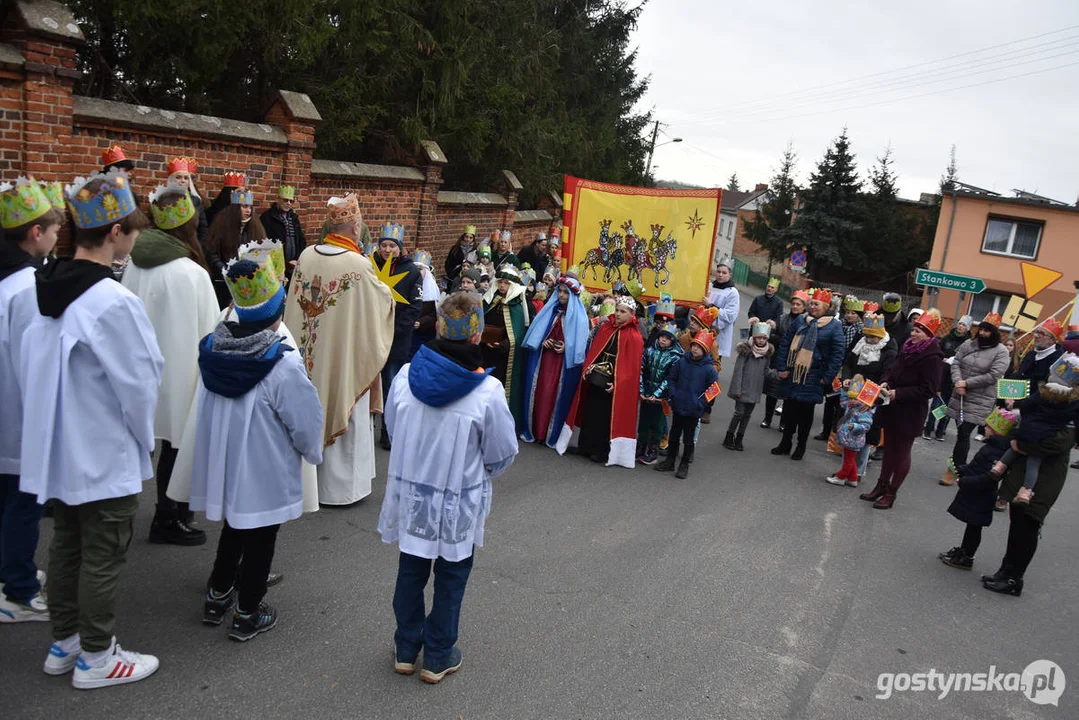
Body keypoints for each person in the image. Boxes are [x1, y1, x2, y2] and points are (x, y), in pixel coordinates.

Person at [20, 170, 164, 688]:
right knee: (103, 552)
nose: (133, 236)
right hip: (102, 449)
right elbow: (141, 382)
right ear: (113, 233)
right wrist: (143, 440)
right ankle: (98, 658)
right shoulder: (113, 302)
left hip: (60, 446)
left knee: (67, 545)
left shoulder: (45, 288)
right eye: (131, 228)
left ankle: (66, 642)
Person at [378, 291, 519, 683]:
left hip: (412, 496)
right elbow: (502, 452)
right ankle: (438, 653)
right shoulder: (486, 393)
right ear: (476, 337)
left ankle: (406, 646)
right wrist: (481, 472)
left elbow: (392, 424)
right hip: (458, 498)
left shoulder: (406, 377)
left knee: (411, 568)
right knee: (452, 575)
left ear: (439, 328)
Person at [191, 251, 323, 639]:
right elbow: (304, 417)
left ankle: (218, 593)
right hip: (264, 461)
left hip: (227, 457)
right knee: (262, 532)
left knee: (235, 523)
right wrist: (311, 451)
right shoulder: (279, 363)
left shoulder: (213, 350)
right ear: (278, 314)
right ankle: (249, 609)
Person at [120, 182, 219, 546]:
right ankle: (168, 515)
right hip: (181, 372)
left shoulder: (135, 263)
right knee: (178, 444)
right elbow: (211, 332)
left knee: (158, 443)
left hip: (143, 370)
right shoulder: (191, 272)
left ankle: (166, 511)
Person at [283, 194, 395, 506]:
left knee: (309, 408)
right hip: (343, 360)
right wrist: (386, 293)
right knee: (344, 402)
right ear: (355, 226)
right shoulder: (358, 265)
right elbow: (380, 304)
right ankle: (341, 490)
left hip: (308, 355)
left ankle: (306, 481)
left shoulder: (306, 256)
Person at [0, 177, 63, 622]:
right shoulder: (26, 287)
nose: (59, 236)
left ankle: (10, 571)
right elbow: (33, 358)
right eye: (54, 228)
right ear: (34, 233)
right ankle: (17, 591)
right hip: (19, 414)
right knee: (24, 502)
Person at [858, 310, 945, 509]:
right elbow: (892, 370)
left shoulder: (933, 358)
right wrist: (886, 382)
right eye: (913, 330)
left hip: (910, 412)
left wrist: (899, 393)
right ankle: (881, 486)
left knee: (902, 453)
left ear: (929, 335)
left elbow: (928, 389)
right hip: (891, 408)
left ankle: (891, 492)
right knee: (888, 449)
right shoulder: (907, 348)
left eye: (919, 331)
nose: (913, 334)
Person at [983, 421, 1075, 596]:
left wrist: (1021, 443)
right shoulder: (1044, 402)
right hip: (1023, 472)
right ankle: (1004, 571)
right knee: (1017, 524)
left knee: (1029, 524)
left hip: (1045, 478)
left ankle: (1014, 579)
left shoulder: (1072, 412)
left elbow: (1057, 443)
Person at [556, 296, 644, 467]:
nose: (617, 314)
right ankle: (585, 446)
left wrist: (618, 383)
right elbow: (595, 350)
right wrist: (589, 369)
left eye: (622, 312)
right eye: (617, 310)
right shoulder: (606, 328)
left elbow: (631, 368)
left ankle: (600, 451)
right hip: (596, 376)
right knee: (590, 410)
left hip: (613, 382)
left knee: (605, 416)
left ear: (631, 314)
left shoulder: (635, 337)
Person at [988, 353, 1078, 504]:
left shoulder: (1044, 391)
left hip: (1030, 428)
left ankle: (999, 467)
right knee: (1034, 462)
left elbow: (1027, 404)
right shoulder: (1072, 399)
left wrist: (1014, 405)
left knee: (1014, 447)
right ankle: (1026, 491)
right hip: (1048, 433)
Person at [938, 407, 1017, 571]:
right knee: (972, 525)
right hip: (977, 491)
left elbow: (989, 478)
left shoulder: (997, 452)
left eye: (988, 427)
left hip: (981, 494)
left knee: (975, 526)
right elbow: (977, 465)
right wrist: (962, 469)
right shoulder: (993, 446)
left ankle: (967, 556)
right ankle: (964, 550)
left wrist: (965, 480)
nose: (985, 429)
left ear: (996, 431)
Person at [772, 289, 845, 461]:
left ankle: (801, 446)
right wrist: (782, 366)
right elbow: (785, 343)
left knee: (805, 413)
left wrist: (827, 377)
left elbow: (837, 354)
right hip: (793, 372)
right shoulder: (800, 320)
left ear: (826, 307)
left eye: (816, 304)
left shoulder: (834, 326)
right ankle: (785, 442)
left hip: (814, 375)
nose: (812, 307)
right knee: (789, 410)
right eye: (811, 303)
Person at [519, 275, 590, 448]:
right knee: (540, 393)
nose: (562, 295)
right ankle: (535, 430)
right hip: (544, 361)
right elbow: (537, 334)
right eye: (560, 291)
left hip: (563, 366)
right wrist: (543, 341)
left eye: (566, 292)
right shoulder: (550, 311)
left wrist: (568, 348)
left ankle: (551, 433)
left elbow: (581, 345)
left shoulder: (580, 318)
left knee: (556, 396)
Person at [940, 313, 1010, 486]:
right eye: (982, 329)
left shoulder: (1001, 351)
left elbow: (994, 375)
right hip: (960, 394)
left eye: (987, 331)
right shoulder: (968, 344)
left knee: (964, 433)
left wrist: (967, 383)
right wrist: (958, 382)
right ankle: (960, 466)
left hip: (980, 398)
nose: (983, 334)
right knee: (960, 432)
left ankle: (956, 469)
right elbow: (956, 362)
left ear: (994, 333)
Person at [371, 222, 423, 450]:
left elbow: (414, 307)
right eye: (384, 244)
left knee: (391, 384)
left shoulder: (411, 272)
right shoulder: (369, 267)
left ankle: (388, 430)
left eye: (392, 245)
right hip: (371, 337)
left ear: (400, 248)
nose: (387, 249)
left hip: (396, 338)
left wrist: (395, 328)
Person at [655, 331, 720, 478]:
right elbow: (672, 379)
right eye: (694, 346)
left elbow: (713, 389)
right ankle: (670, 461)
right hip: (678, 405)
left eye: (699, 347)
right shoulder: (681, 362)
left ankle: (684, 464)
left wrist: (700, 404)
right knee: (674, 435)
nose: (695, 349)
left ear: (705, 350)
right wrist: (673, 395)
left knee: (688, 439)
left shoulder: (709, 369)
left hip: (694, 410)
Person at [842, 311, 898, 480]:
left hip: (872, 396)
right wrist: (846, 378)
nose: (870, 340)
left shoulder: (889, 350)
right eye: (868, 337)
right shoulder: (860, 343)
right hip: (854, 391)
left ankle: (858, 471)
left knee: (866, 433)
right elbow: (848, 363)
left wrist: (872, 399)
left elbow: (886, 375)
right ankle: (847, 469)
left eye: (874, 338)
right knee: (850, 430)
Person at [205, 178, 266, 309]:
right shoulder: (222, 223)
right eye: (244, 206)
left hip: (246, 283)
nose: (248, 210)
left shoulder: (256, 227)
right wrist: (224, 269)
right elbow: (212, 251)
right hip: (224, 283)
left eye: (250, 207)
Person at [482, 265, 531, 426]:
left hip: (503, 355)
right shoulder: (490, 299)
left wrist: (502, 345)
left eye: (506, 283)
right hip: (485, 352)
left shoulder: (516, 305)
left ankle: (498, 422)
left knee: (499, 389)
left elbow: (518, 334)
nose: (502, 286)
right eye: (501, 282)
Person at [817, 296, 866, 442]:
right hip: (835, 369)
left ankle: (837, 433)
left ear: (859, 316)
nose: (850, 315)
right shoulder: (837, 326)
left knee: (843, 405)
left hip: (849, 372)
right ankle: (825, 431)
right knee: (830, 401)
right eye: (848, 312)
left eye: (854, 313)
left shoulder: (862, 332)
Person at [761, 290, 808, 429]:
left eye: (798, 304)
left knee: (787, 394)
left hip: (794, 360)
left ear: (804, 307)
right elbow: (772, 335)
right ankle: (767, 418)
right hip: (778, 357)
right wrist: (783, 341)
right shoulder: (782, 318)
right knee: (772, 390)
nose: (795, 306)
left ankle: (783, 422)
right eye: (793, 304)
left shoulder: (806, 322)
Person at [724, 321, 773, 451]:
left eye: (764, 338)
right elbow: (738, 371)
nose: (761, 340)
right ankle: (729, 435)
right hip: (742, 388)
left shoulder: (767, 354)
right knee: (739, 413)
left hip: (755, 389)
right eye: (759, 337)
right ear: (754, 336)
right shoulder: (745, 351)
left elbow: (766, 370)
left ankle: (739, 438)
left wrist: (776, 375)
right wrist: (737, 389)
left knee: (747, 415)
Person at [638, 322, 683, 464]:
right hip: (646, 394)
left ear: (672, 341)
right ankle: (640, 448)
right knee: (643, 422)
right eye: (662, 336)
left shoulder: (675, 357)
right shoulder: (649, 351)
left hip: (660, 398)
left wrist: (657, 394)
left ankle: (653, 451)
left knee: (657, 424)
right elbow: (642, 370)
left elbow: (669, 379)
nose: (663, 340)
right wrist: (642, 390)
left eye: (667, 338)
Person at [925, 314, 972, 441]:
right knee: (936, 405)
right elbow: (937, 353)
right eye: (960, 324)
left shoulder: (970, 343)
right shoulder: (947, 338)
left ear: (968, 328)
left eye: (964, 325)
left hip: (957, 379)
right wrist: (944, 359)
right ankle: (928, 429)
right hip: (943, 375)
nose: (961, 326)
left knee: (949, 408)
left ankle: (941, 430)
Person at [825, 375, 876, 488]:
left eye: (855, 398)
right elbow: (843, 401)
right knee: (850, 460)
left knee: (848, 460)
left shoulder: (864, 411)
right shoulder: (851, 405)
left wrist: (854, 427)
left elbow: (866, 426)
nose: (852, 401)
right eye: (851, 398)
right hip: (848, 438)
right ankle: (853, 479)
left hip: (854, 439)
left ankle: (841, 477)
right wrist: (844, 390)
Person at [259, 185, 306, 285]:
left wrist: (296, 259)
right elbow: (264, 243)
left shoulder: (293, 218)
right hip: (275, 266)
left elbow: (301, 240)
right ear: (277, 199)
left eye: (291, 201)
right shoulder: (267, 217)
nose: (288, 203)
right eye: (285, 200)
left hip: (293, 265)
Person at [165, 157, 209, 247]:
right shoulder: (162, 199)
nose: (183, 181)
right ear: (171, 180)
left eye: (186, 178)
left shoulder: (196, 201)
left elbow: (203, 228)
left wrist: (199, 247)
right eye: (178, 177)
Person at [409, 249, 441, 359]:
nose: (418, 272)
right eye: (416, 269)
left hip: (425, 333)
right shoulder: (407, 284)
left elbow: (434, 314)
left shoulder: (432, 290)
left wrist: (421, 322)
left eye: (421, 269)